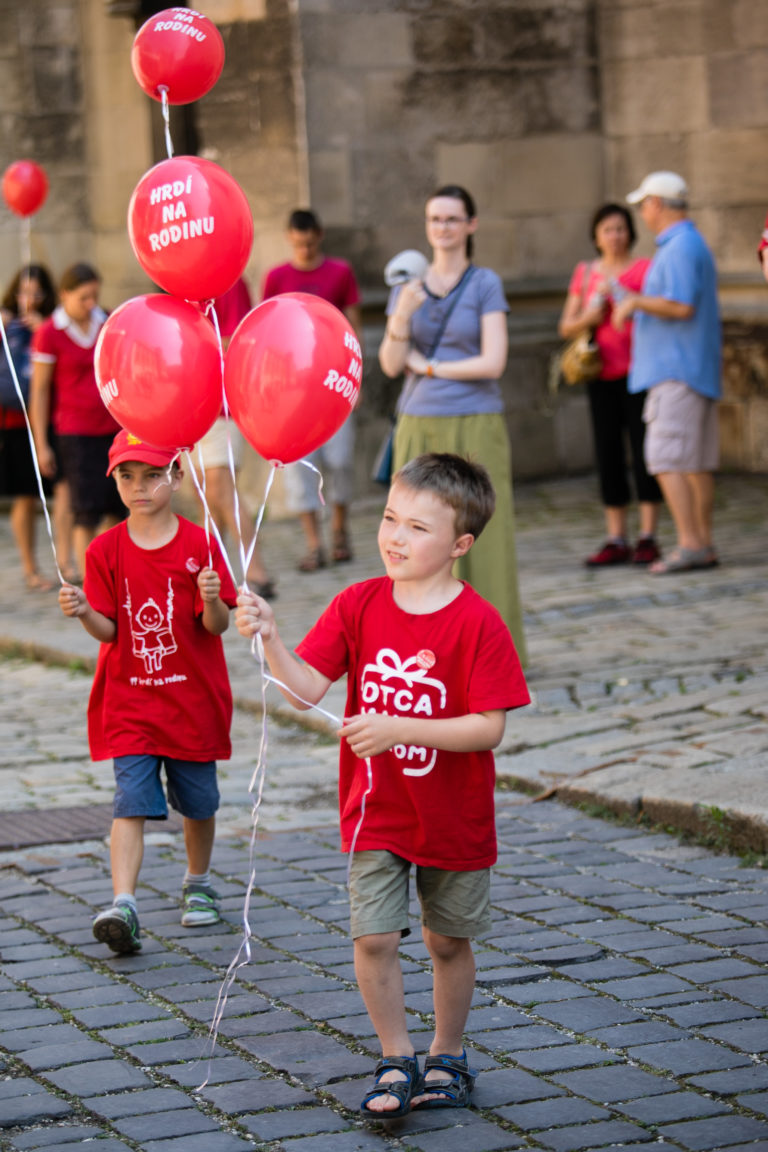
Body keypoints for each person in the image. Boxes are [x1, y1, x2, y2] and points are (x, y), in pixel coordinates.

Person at [235, 453, 529, 1116]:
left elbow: (489, 729)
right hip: (376, 808)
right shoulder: (358, 603)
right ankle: (396, 1057)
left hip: (453, 813)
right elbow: (305, 689)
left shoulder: (479, 622)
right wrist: (272, 638)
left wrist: (400, 728)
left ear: (460, 545)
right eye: (391, 518)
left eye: (417, 528)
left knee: (446, 941)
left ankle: (448, 1053)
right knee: (373, 937)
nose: (395, 537)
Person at [58, 429, 237, 954]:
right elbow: (110, 630)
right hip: (129, 702)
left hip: (192, 702)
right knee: (129, 802)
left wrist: (211, 599)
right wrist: (84, 612)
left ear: (177, 477)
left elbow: (217, 626)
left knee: (199, 804)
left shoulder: (201, 543)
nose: (139, 487)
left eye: (153, 475)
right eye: (127, 476)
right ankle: (124, 904)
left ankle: (198, 882)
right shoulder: (103, 550)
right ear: (114, 480)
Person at [378, 184, 527, 664]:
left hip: (475, 420)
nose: (442, 227)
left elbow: (493, 361)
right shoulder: (408, 285)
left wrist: (429, 367)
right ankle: (422, 650)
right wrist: (402, 314)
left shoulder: (484, 283)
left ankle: (490, 653)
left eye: (451, 219)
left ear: (470, 225)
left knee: (484, 537)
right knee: (413, 538)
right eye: (434, 219)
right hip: (418, 421)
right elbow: (390, 363)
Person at [613, 172, 722, 574]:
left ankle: (691, 544)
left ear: (656, 204)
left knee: (665, 458)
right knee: (694, 462)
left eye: (644, 205)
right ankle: (702, 543)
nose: (643, 213)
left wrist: (634, 302)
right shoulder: (687, 243)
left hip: (676, 373)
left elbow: (680, 305)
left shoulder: (678, 247)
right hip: (690, 370)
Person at [558, 204, 663, 567]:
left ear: (630, 232)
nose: (615, 236)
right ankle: (616, 537)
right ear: (596, 236)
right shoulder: (586, 272)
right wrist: (591, 314)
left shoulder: (645, 269)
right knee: (608, 454)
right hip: (600, 375)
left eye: (620, 228)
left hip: (640, 373)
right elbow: (566, 325)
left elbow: (659, 313)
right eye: (607, 229)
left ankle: (648, 535)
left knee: (645, 452)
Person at [261, 208, 362, 571]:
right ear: (290, 238)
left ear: (319, 236)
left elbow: (353, 328)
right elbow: (267, 332)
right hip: (292, 391)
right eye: (298, 242)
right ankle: (313, 543)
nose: (304, 248)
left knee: (341, 460)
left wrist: (357, 378)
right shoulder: (277, 277)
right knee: (299, 466)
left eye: (310, 242)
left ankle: (339, 529)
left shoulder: (340, 272)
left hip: (335, 384)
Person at [30, 262, 124, 583]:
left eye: (94, 296)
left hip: (112, 427)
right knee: (85, 509)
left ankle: (111, 568)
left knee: (116, 505)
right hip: (75, 433)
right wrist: (41, 444)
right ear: (65, 295)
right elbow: (40, 391)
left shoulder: (105, 321)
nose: (90, 304)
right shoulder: (49, 333)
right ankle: (89, 578)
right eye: (83, 297)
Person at [195, 277, 275, 597]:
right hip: (190, 407)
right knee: (207, 495)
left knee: (221, 490)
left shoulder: (227, 282)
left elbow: (239, 340)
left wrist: (195, 347)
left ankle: (256, 570)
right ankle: (209, 570)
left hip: (220, 405)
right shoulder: (180, 282)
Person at [0, 263, 62, 589]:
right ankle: (30, 568)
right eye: (24, 293)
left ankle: (66, 562)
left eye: (37, 294)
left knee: (63, 493)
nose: (30, 300)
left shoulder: (54, 324)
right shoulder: (5, 323)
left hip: (52, 419)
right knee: (24, 496)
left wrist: (45, 330)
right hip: (14, 421)